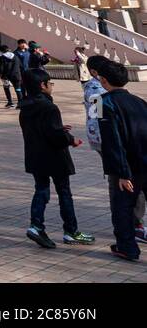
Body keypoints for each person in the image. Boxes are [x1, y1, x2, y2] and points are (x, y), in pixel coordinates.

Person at [19, 67, 94, 248]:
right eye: (50, 82)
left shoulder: (25, 106)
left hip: (36, 156)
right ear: (42, 85)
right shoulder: (49, 107)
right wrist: (70, 140)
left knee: (41, 190)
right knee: (64, 193)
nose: (51, 86)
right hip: (54, 157)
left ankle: (36, 225)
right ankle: (71, 231)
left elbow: (43, 129)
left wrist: (59, 129)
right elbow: (54, 136)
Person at [88, 56, 147, 261]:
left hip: (126, 164)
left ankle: (127, 247)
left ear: (102, 78)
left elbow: (109, 138)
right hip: (144, 160)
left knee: (121, 205)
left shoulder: (101, 100)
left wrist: (121, 172)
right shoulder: (139, 101)